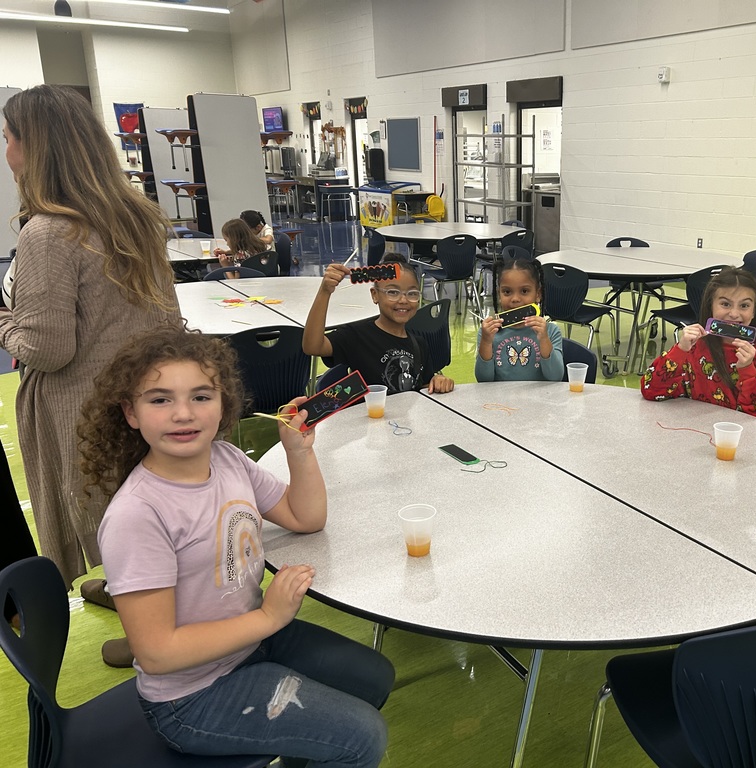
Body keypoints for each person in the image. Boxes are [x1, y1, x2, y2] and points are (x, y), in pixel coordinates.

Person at [80, 323, 393, 767]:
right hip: (191, 697)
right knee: (363, 737)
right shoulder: (138, 515)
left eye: (201, 396)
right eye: (160, 399)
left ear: (223, 404)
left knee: (375, 677)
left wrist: (298, 452)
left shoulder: (227, 459)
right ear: (131, 413)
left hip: (250, 643)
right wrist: (269, 616)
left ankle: (299, 751)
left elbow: (306, 518)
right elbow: (156, 652)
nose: (183, 413)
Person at [0, 84, 181, 595]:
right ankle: (136, 589)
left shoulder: (48, 234)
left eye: (9, 138)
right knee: (140, 501)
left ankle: (146, 627)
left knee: (104, 507)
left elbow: (46, 349)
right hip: (143, 395)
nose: (6, 151)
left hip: (83, 407)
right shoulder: (137, 216)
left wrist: (5, 322)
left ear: (34, 149)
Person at [640, 266, 756, 426]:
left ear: (754, 311)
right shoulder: (694, 349)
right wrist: (680, 350)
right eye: (725, 304)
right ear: (711, 307)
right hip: (696, 435)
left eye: (744, 306)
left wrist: (748, 372)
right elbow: (651, 390)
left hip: (744, 442)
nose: (734, 314)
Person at [302, 253, 454, 394]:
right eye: (393, 292)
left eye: (412, 293)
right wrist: (325, 291)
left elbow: (423, 385)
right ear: (375, 295)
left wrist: (437, 380)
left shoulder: (419, 344)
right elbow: (313, 346)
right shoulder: (357, 336)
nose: (403, 300)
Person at [475, 253, 563, 382]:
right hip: (500, 400)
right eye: (507, 292)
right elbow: (483, 380)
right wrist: (486, 342)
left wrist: (544, 339)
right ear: (499, 295)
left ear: (538, 294)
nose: (515, 299)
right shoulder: (489, 333)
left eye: (524, 291)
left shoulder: (551, 332)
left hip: (541, 399)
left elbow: (556, 378)